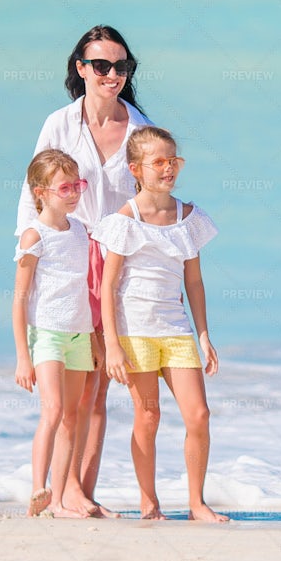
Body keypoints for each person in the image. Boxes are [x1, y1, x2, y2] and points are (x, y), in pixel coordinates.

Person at [15, 25, 153, 518]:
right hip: (67, 263)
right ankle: (60, 490)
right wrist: (30, 257)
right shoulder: (59, 123)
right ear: (81, 68)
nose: (111, 75)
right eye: (101, 66)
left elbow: (149, 201)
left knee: (99, 387)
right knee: (72, 387)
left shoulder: (140, 129)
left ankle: (79, 493)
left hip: (116, 266)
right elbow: (33, 189)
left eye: (121, 67)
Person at [92, 126, 228, 522]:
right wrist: (112, 345)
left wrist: (204, 336)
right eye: (159, 163)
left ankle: (197, 503)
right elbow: (108, 285)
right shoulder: (125, 219)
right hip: (135, 333)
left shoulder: (188, 217)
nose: (168, 169)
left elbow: (195, 282)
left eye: (173, 161)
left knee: (199, 415)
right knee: (148, 417)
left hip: (176, 331)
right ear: (136, 169)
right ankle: (149, 504)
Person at [13, 149, 100, 518]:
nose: (74, 193)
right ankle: (39, 489)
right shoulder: (35, 236)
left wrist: (96, 338)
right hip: (47, 333)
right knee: (53, 410)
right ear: (41, 192)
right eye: (65, 187)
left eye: (77, 185)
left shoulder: (80, 230)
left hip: (79, 334)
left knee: (74, 416)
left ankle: (62, 500)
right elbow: (19, 300)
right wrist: (22, 356)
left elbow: (87, 286)